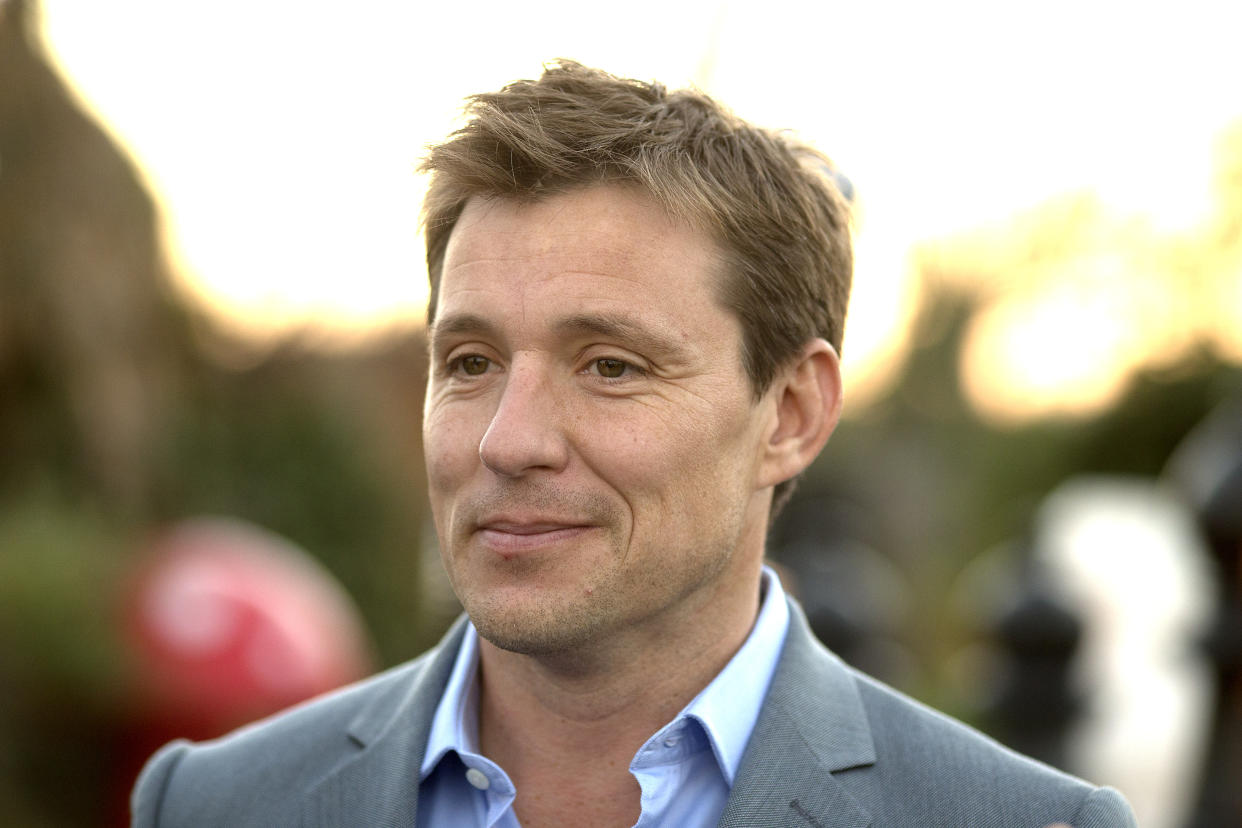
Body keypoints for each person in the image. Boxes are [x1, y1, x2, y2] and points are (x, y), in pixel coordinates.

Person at [131, 60, 1137, 828]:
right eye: (471, 362)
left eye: (609, 366)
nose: (509, 441)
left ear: (790, 413)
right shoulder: (214, 804)